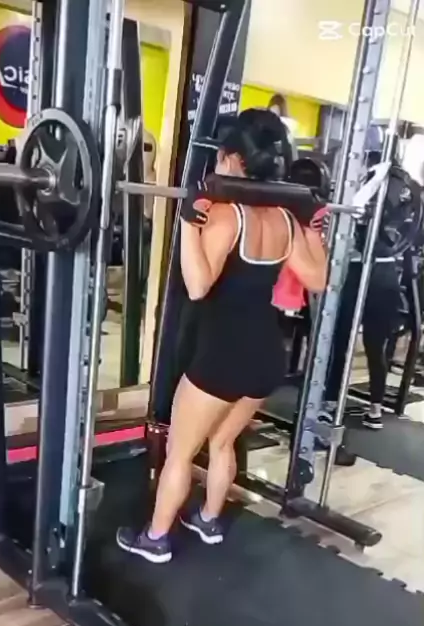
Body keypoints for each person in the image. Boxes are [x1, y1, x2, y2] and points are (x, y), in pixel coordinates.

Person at [116, 108, 327, 564]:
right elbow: (318, 279)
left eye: (220, 155)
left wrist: (188, 223)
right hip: (267, 355)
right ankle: (209, 520)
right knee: (223, 441)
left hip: (222, 358)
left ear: (232, 158)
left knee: (179, 453)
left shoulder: (227, 217)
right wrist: (313, 229)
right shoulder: (284, 219)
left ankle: (155, 538)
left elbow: (197, 286)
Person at [320, 152, 402, 430]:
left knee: (343, 338)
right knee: (375, 344)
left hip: (364, 270)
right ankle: (374, 408)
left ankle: (331, 402)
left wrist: (374, 179)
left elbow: (355, 208)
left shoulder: (377, 183)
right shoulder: (408, 190)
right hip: (385, 271)